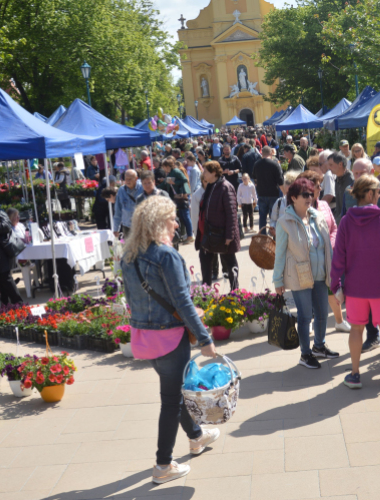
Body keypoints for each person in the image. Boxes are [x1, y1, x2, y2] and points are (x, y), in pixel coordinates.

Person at [121, 196, 219, 484]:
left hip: (145, 337)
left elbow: (130, 300)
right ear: (158, 222)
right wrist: (205, 338)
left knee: (173, 394)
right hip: (170, 337)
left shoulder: (129, 256)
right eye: (173, 219)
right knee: (171, 401)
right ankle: (163, 465)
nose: (177, 224)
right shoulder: (166, 255)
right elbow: (183, 303)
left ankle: (197, 437)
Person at [332, 175, 380, 389]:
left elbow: (339, 256)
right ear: (371, 193)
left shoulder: (345, 221)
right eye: (379, 191)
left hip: (355, 287)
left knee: (356, 329)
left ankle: (354, 374)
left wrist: (336, 284)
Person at [273, 178, 337, 369]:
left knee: (322, 314)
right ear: (293, 197)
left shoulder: (317, 216)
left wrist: (333, 271)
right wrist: (277, 280)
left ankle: (319, 346)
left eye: (311, 193)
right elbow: (280, 253)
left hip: (321, 273)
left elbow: (327, 247)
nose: (310, 197)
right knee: (304, 316)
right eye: (305, 194)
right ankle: (305, 354)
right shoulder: (285, 222)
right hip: (300, 275)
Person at [298, 170, 350, 332]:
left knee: (331, 288)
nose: (321, 189)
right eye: (317, 186)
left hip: (328, 256)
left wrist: (331, 245)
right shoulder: (297, 208)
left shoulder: (324, 205)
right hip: (308, 258)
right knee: (310, 290)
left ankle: (339, 321)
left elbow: (333, 227)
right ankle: (312, 321)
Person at [196, 161, 240, 289]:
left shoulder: (226, 187)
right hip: (209, 233)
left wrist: (229, 236)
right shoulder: (210, 186)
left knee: (230, 262)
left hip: (223, 235)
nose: (203, 173)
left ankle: (235, 291)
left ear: (214, 172)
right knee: (204, 259)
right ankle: (206, 292)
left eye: (205, 171)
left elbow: (232, 213)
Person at [252, 146, 284, 230]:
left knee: (262, 217)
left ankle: (262, 237)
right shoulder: (275, 164)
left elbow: (254, 178)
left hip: (261, 193)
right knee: (274, 218)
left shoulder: (257, 164)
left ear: (262, 153)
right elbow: (280, 181)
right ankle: (275, 237)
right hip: (273, 193)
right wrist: (284, 193)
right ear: (271, 153)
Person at [164, 160, 193, 243]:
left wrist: (174, 182)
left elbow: (184, 179)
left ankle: (190, 236)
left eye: (164, 167)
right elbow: (165, 184)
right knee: (183, 216)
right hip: (177, 197)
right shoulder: (170, 173)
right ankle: (188, 235)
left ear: (167, 166)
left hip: (182, 196)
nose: (163, 169)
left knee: (186, 216)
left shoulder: (175, 171)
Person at [113, 169, 143, 238]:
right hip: (127, 227)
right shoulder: (121, 190)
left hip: (141, 227)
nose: (128, 181)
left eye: (130, 179)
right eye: (126, 179)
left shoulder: (143, 188)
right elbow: (118, 211)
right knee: (129, 248)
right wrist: (116, 229)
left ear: (136, 178)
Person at [269, 171, 299, 237]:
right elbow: (273, 220)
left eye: (292, 192)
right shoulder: (279, 202)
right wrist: (273, 228)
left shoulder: (301, 203)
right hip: (281, 237)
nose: (290, 195)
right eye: (287, 192)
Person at [327, 152, 353, 225]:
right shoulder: (338, 179)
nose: (329, 168)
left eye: (331, 165)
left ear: (340, 164)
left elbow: (349, 208)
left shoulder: (351, 181)